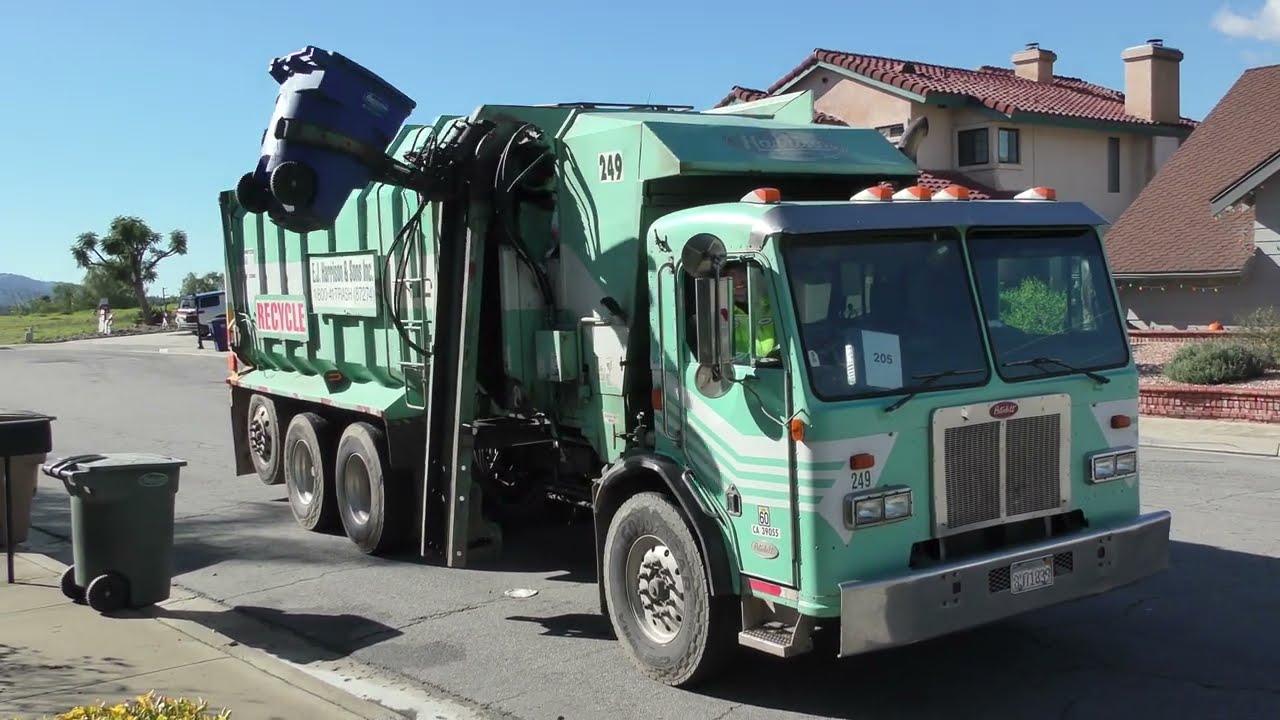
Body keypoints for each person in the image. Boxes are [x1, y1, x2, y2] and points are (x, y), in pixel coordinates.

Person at [728, 266, 777, 361]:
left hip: (776, 365)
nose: (738, 282)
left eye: (742, 275)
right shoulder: (722, 312)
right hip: (740, 367)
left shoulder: (773, 305)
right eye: (732, 276)